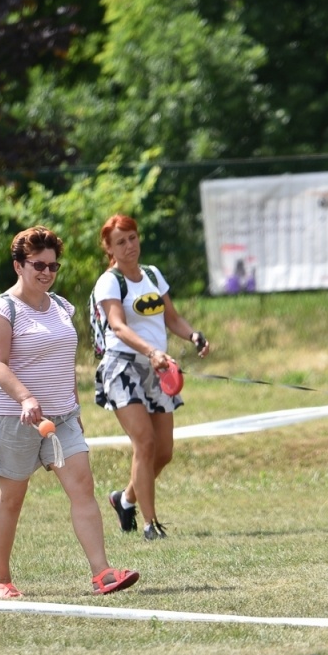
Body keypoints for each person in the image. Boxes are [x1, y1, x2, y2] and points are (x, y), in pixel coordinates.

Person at [0, 226, 140, 598]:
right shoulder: (2, 310)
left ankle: (102, 573)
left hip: (62, 417)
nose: (47, 272)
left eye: (53, 266)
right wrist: (25, 399)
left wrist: (75, 407)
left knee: (83, 488)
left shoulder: (62, 306)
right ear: (18, 265)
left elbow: (64, 363)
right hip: (13, 418)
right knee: (12, 499)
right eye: (38, 265)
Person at [93, 214, 210, 541]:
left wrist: (193, 335)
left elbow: (172, 318)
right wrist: (150, 352)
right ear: (109, 248)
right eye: (120, 242)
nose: (129, 246)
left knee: (163, 452)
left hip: (159, 368)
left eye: (132, 238)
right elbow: (118, 325)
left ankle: (124, 499)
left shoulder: (153, 275)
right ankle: (150, 524)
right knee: (144, 442)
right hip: (123, 366)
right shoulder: (110, 282)